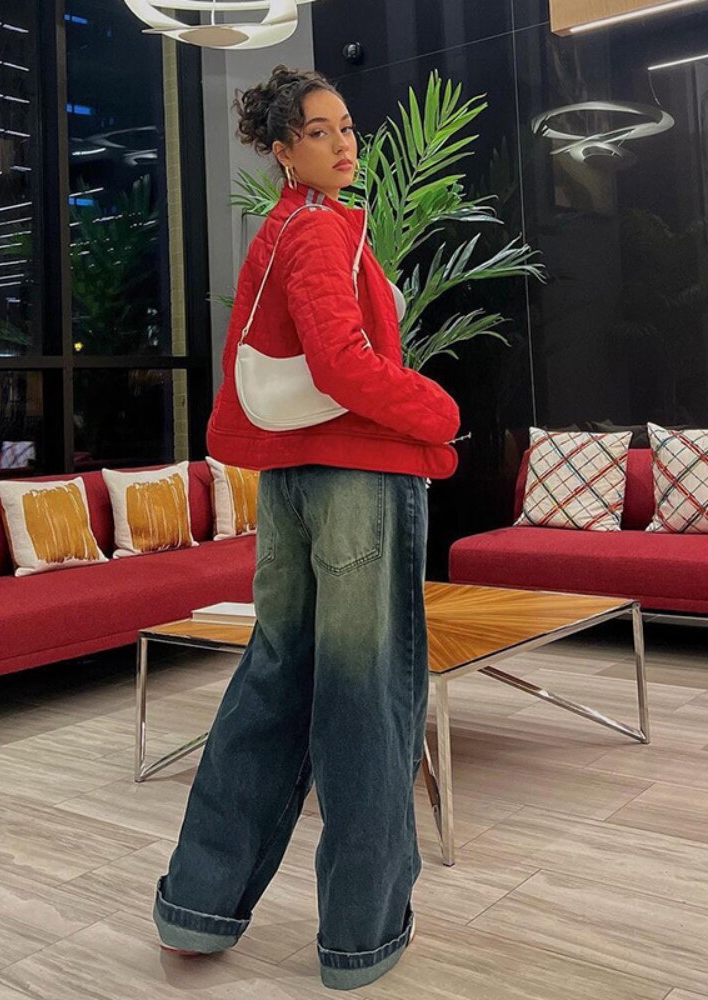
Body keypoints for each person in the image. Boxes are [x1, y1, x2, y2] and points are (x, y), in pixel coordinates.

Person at [153, 64, 460, 992]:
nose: (343, 143)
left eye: (347, 126)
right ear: (284, 150)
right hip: (357, 481)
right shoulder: (320, 229)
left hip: (292, 484)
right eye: (319, 132)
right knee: (368, 695)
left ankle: (197, 908)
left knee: (275, 681)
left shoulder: (286, 229)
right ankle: (361, 938)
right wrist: (438, 410)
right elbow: (340, 363)